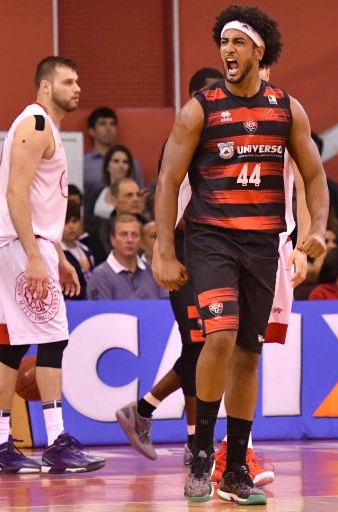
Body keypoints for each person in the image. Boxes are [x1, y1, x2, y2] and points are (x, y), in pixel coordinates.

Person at [153, 6, 328, 504]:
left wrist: (317, 230)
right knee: (221, 336)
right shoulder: (200, 109)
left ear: (259, 51)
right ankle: (201, 454)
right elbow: (167, 181)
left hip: (263, 243)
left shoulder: (287, 109)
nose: (227, 51)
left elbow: (314, 176)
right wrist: (164, 251)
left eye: (237, 43)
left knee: (249, 354)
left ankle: (234, 469)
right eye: (223, 42)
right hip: (211, 239)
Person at [0, 56, 103, 475]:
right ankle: (56, 443)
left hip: (26, 242)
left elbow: (37, 201)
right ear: (46, 87)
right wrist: (35, 255)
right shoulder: (35, 124)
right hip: (20, 243)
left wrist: (58, 254)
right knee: (54, 339)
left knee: (13, 344)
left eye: (78, 81)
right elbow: (15, 193)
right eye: (68, 82)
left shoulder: (44, 126)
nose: (77, 88)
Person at [114, 67, 222, 470]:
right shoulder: (183, 137)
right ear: (193, 97)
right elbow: (168, 196)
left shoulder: (219, 139)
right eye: (208, 93)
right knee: (200, 345)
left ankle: (154, 417)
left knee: (202, 346)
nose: (215, 100)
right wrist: (165, 250)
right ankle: (169, 426)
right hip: (185, 252)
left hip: (210, 252)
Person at [86, 214, 167, 300]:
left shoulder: (154, 272)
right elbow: (100, 308)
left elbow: (165, 305)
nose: (130, 240)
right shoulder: (100, 276)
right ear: (112, 239)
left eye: (134, 235)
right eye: (124, 234)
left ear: (140, 240)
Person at [83, 107, 145, 201]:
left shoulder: (130, 162)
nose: (108, 128)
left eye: (112, 124)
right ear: (92, 131)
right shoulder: (84, 164)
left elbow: (140, 193)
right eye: (102, 124)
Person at [87, 144, 137, 225]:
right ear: (107, 166)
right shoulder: (95, 194)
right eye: (116, 161)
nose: (121, 166)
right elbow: (87, 221)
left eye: (125, 162)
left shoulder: (136, 194)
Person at [61, 201, 94, 300]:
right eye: (66, 222)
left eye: (74, 221)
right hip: (69, 301)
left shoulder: (86, 250)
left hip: (89, 299)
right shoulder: (56, 253)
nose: (71, 226)